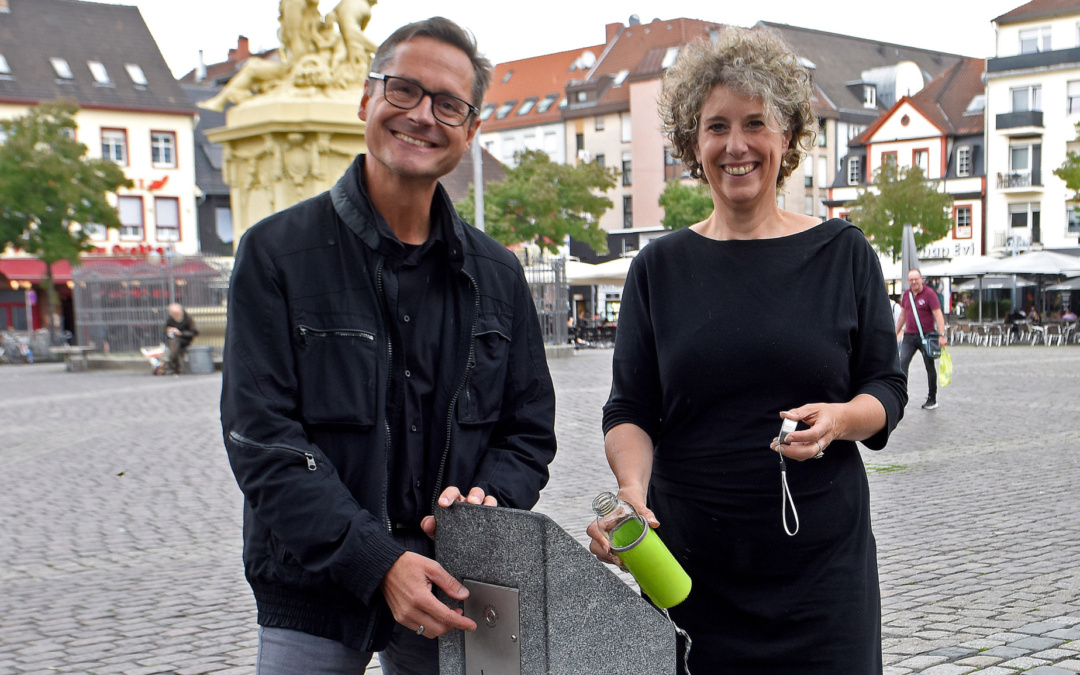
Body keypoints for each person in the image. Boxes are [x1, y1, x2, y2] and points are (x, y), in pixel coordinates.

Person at [219, 17, 557, 675]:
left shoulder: (498, 274)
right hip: (312, 580)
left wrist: (492, 496)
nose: (422, 115)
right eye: (403, 90)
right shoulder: (276, 255)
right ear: (367, 99)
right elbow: (263, 438)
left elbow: (527, 431)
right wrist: (378, 560)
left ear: (471, 129)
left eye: (448, 103)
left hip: (459, 571)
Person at [586, 26, 907, 675]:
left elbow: (887, 390)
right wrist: (631, 489)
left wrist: (842, 419)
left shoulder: (843, 253)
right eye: (716, 126)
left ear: (786, 137)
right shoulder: (658, 267)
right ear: (692, 141)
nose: (736, 145)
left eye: (755, 123)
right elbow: (632, 407)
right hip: (689, 577)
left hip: (823, 580)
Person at [896, 269, 947, 409]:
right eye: (911, 280)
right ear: (908, 281)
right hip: (909, 336)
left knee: (929, 366)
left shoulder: (930, 294)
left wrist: (941, 335)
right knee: (902, 364)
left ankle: (932, 398)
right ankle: (901, 396)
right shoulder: (906, 295)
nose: (914, 282)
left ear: (921, 279)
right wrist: (896, 333)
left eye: (916, 279)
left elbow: (938, 315)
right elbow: (902, 316)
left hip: (927, 336)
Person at [163, 303, 197, 375]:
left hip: (185, 339)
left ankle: (170, 363)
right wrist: (169, 331)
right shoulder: (170, 319)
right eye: (174, 314)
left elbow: (194, 332)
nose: (176, 316)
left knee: (175, 343)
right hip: (173, 339)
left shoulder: (187, 318)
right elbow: (165, 330)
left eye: (177, 314)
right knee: (174, 343)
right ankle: (173, 365)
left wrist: (181, 333)